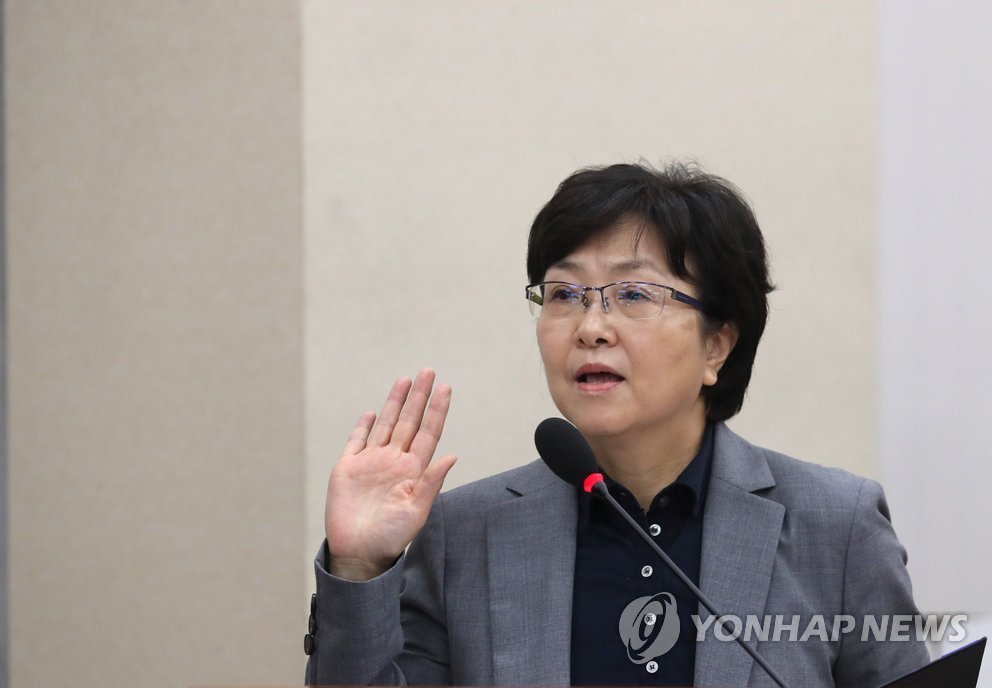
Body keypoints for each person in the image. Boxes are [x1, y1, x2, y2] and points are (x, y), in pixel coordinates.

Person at [304, 162, 930, 687]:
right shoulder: (464, 533)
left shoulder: (836, 526)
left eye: (633, 295)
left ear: (716, 346)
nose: (590, 327)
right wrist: (358, 567)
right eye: (563, 294)